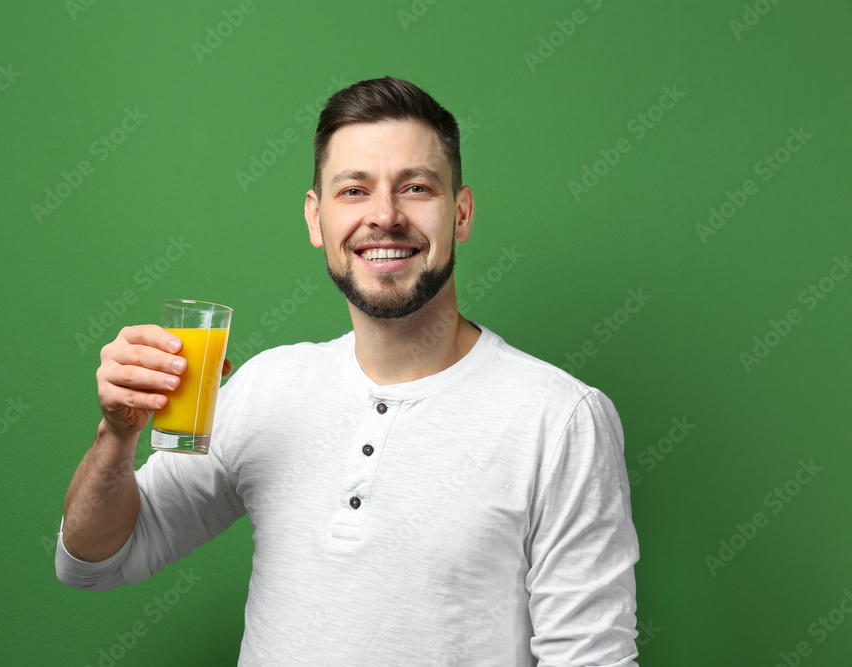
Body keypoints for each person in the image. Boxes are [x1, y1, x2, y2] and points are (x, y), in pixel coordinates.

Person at [56, 76, 640, 665]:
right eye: (354, 191)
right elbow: (95, 561)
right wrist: (118, 434)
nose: (384, 216)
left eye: (415, 187)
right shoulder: (266, 386)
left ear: (460, 214)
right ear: (316, 219)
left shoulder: (560, 418)